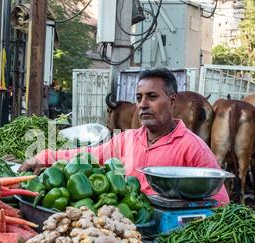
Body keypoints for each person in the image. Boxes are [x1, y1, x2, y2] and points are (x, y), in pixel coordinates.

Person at [19, 68, 230, 205]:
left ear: (173, 101)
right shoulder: (127, 139)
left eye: (152, 97)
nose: (143, 104)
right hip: (126, 225)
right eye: (139, 98)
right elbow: (88, 154)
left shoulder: (193, 147)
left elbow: (220, 200)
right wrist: (43, 157)